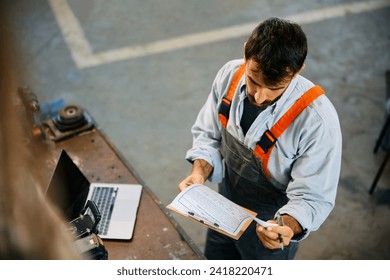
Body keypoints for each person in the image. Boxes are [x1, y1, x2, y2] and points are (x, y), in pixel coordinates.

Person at [178, 17, 342, 260]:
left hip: (269, 230)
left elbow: (312, 197)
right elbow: (207, 134)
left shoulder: (317, 120)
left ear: (297, 71)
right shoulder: (229, 76)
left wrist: (285, 228)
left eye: (274, 88)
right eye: (253, 80)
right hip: (225, 208)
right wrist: (199, 172)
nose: (259, 95)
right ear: (246, 52)